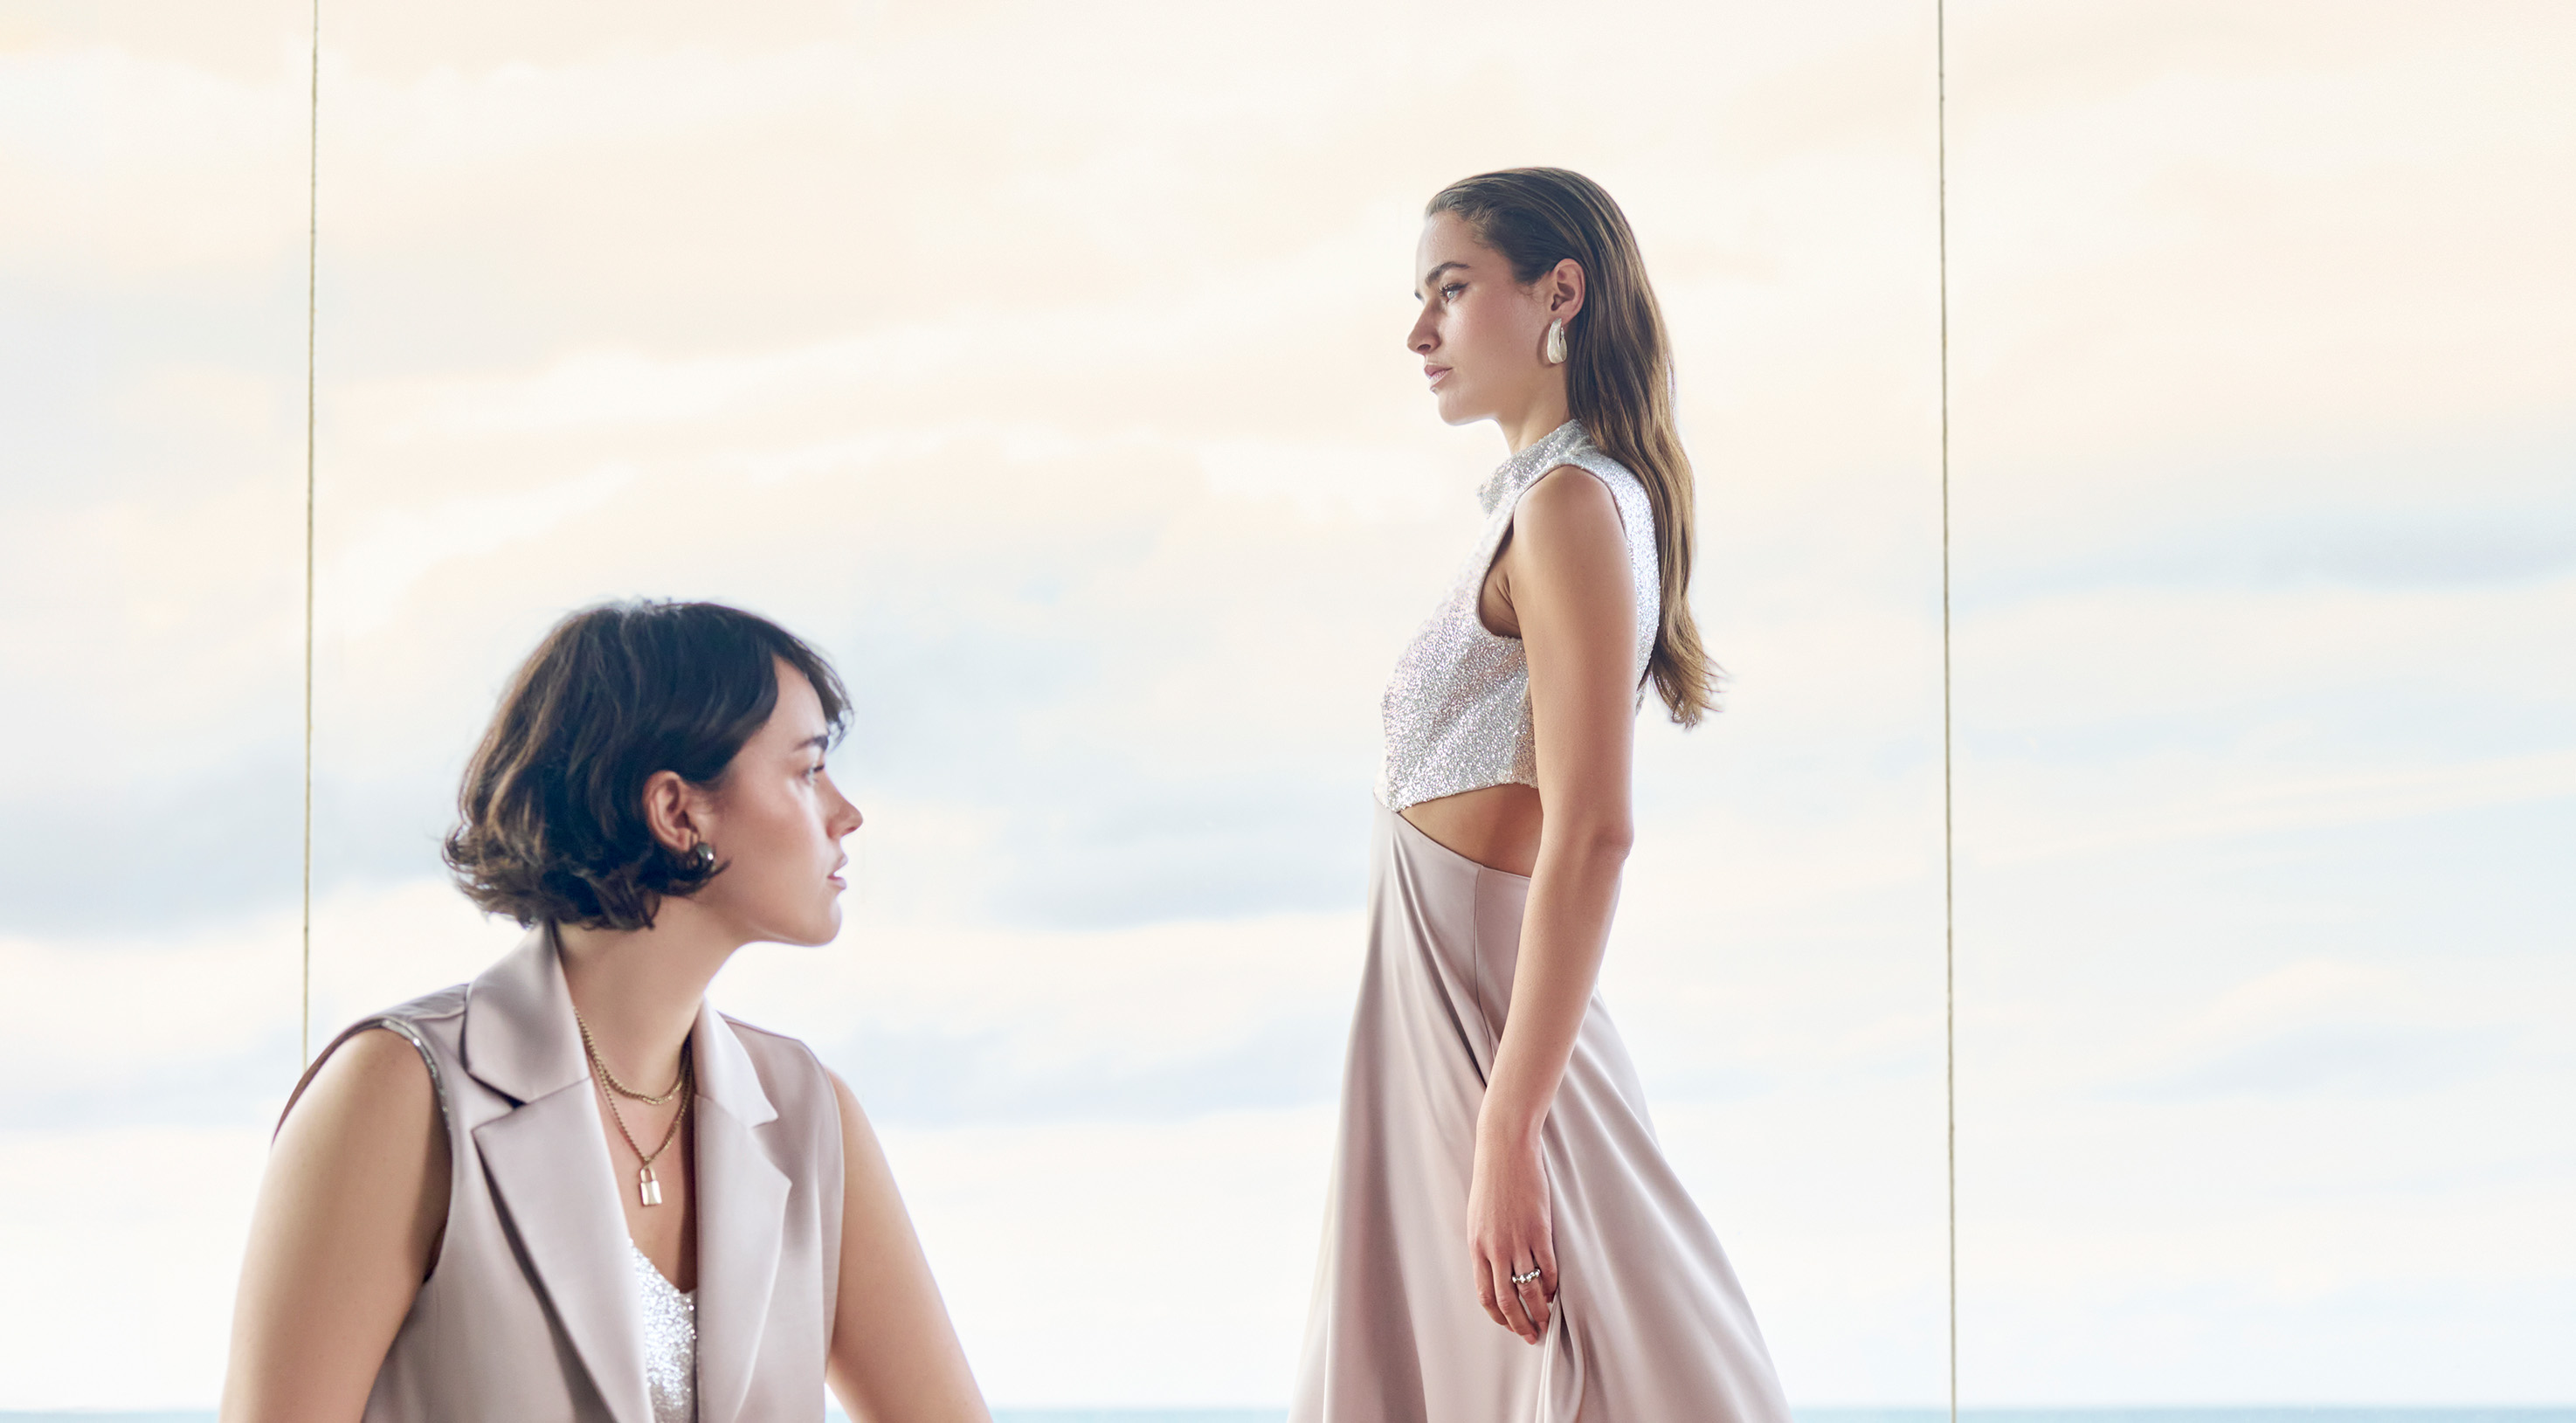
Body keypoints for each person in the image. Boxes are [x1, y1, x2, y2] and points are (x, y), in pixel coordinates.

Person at [221, 600, 990, 1423]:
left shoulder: (808, 1114)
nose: (846, 813)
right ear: (677, 812)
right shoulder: (395, 1091)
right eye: (807, 771)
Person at [1290, 169, 1792, 1420]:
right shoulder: (1551, 503)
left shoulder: (1571, 505)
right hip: (1443, 1023)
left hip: (1486, 1030)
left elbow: (1596, 829)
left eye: (1451, 291)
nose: (1420, 333)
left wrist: (1509, 1129)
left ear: (1559, 292)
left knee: (1595, 1370)